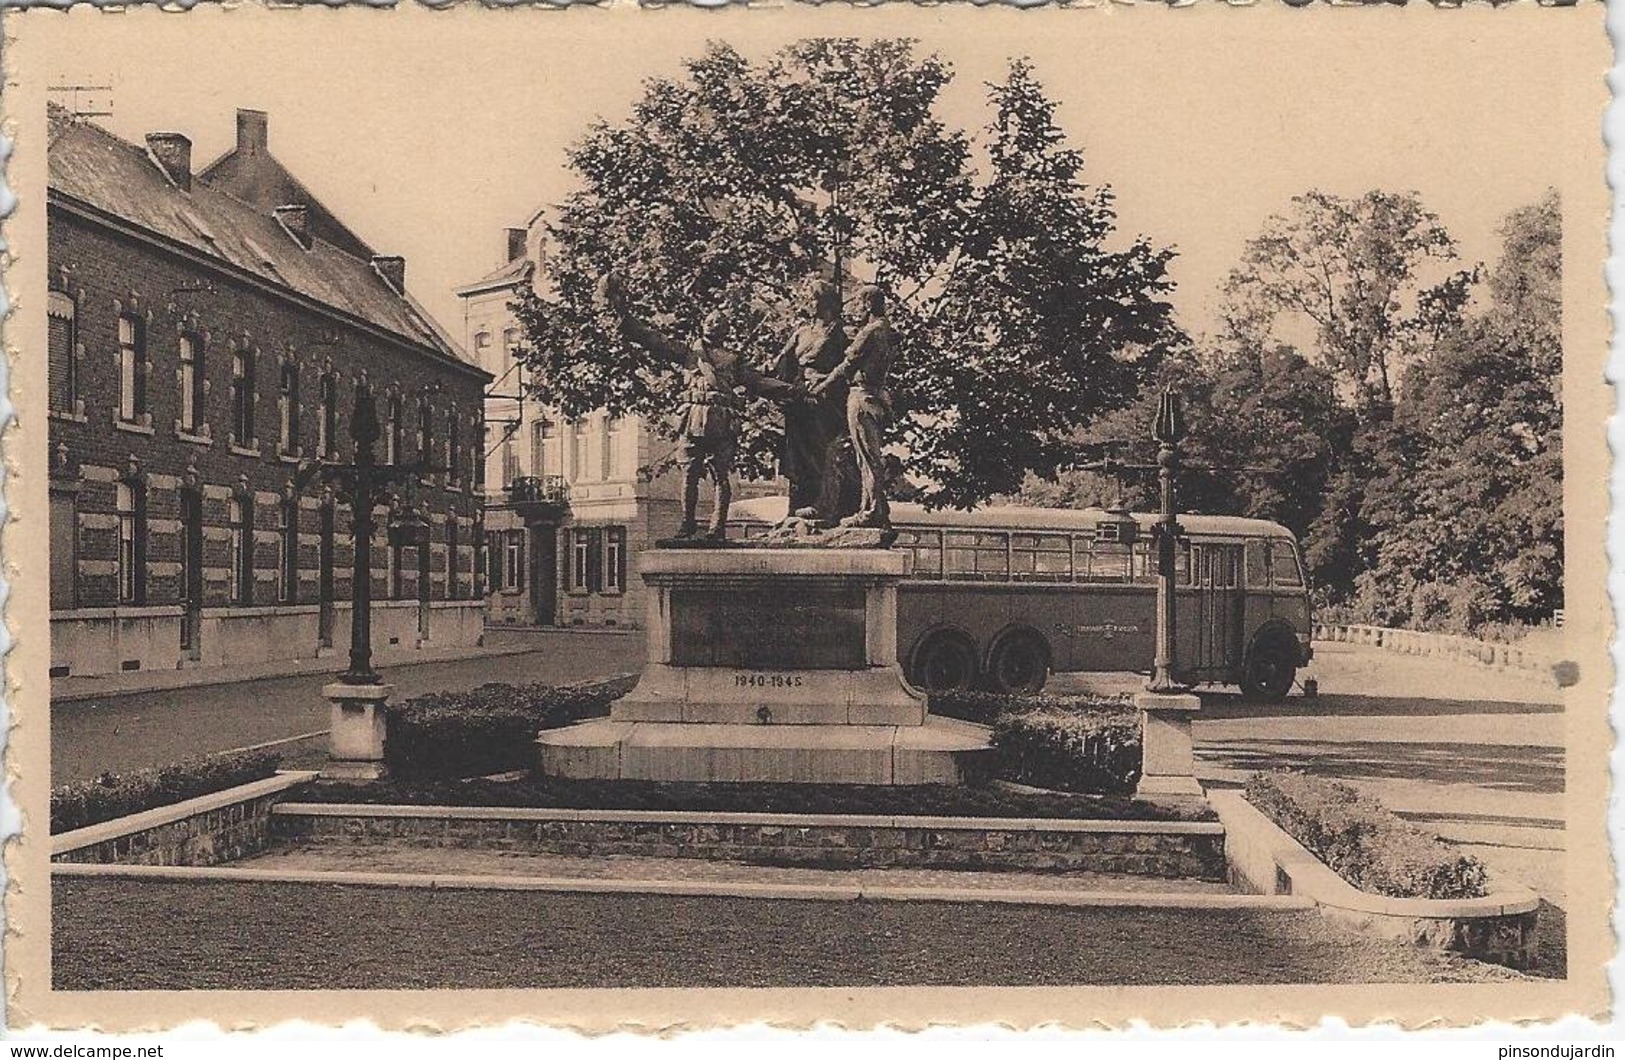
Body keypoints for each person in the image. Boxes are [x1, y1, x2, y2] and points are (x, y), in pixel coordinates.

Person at [597, 275, 800, 540]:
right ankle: (687, 524)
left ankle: (717, 528)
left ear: (726, 331)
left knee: (721, 476)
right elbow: (650, 338)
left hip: (722, 420)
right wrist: (623, 315)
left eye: (721, 322)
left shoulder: (733, 359)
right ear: (703, 325)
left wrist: (789, 390)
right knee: (689, 474)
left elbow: (757, 382)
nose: (715, 323)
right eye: (711, 320)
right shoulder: (689, 353)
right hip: (692, 418)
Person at [770, 280, 856, 525]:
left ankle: (821, 505)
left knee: (819, 452)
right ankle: (796, 507)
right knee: (796, 455)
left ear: (827, 302)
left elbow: (851, 368)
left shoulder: (840, 333)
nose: (808, 303)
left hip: (826, 400)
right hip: (799, 399)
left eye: (813, 298)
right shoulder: (802, 332)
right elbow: (782, 364)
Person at [815, 284, 894, 530]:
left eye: (859, 304)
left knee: (867, 458)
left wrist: (821, 385)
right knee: (870, 455)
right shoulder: (888, 330)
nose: (857, 310)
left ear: (869, 304)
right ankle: (876, 509)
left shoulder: (870, 331)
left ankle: (869, 512)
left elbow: (847, 366)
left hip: (862, 396)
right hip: (879, 396)